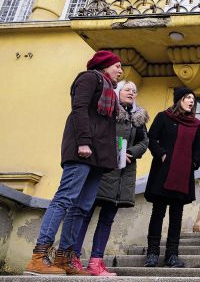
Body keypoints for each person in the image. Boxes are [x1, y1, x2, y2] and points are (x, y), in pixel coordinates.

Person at [24, 50, 122, 276]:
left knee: (82, 207)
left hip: (98, 156)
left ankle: (64, 258)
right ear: (104, 65)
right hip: (83, 151)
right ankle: (39, 256)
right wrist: (84, 142)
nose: (120, 71)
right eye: (117, 66)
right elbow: (79, 109)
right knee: (65, 199)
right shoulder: (89, 78)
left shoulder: (109, 90)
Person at [73, 80, 149, 276]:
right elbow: (100, 134)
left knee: (107, 219)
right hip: (103, 170)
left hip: (124, 175)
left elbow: (144, 141)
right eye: (127, 89)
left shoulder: (138, 118)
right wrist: (116, 150)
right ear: (117, 92)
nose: (131, 93)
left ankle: (96, 262)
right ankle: (72, 258)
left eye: (134, 90)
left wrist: (130, 151)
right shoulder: (108, 111)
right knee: (85, 214)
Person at [143, 87, 200, 268]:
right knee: (158, 213)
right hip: (163, 172)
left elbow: (197, 148)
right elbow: (151, 138)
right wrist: (160, 153)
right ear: (179, 100)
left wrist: (194, 162)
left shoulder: (195, 123)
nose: (191, 101)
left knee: (176, 216)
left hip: (183, 176)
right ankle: (152, 254)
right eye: (187, 98)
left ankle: (172, 255)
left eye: (193, 99)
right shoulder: (164, 117)